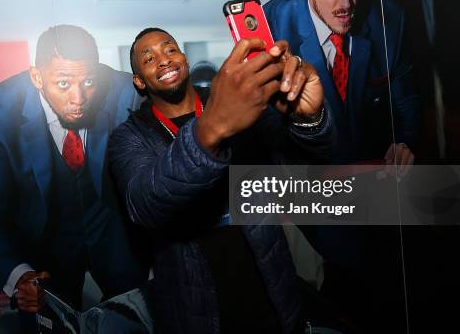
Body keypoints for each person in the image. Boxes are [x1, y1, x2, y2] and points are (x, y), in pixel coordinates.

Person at [108, 27, 333, 334]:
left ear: (185, 60)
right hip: (197, 311)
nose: (163, 60)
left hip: (272, 296)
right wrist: (210, 130)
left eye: (170, 49)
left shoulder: (239, 107)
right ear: (139, 80)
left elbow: (299, 169)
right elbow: (144, 202)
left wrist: (308, 119)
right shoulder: (129, 137)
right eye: (149, 59)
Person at [263, 0, 420, 331]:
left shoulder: (389, 21)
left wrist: (403, 140)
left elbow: (405, 101)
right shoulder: (271, 26)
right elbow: (261, 130)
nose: (347, 1)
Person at [0, 25, 148, 330]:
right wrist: (18, 274)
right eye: (63, 83)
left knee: (139, 320)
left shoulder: (127, 90)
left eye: (88, 81)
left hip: (113, 229)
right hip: (41, 245)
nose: (78, 98)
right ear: (36, 77)